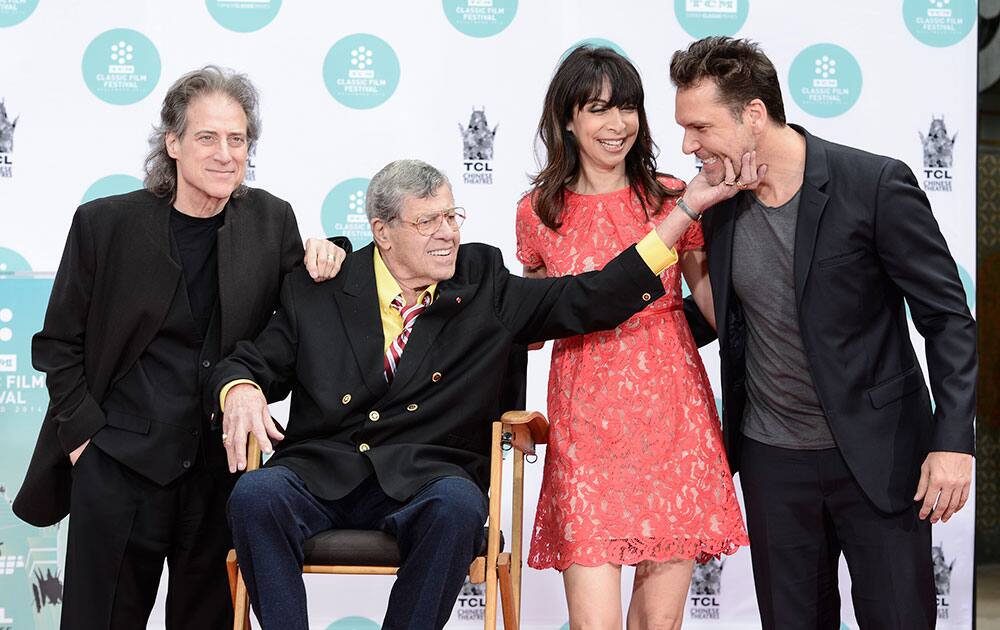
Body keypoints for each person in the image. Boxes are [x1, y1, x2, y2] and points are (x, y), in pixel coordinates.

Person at [214, 157, 747, 630]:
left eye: (452, 216)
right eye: (427, 221)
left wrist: (684, 214)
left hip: (427, 479)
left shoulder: (484, 283)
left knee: (458, 506)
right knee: (256, 496)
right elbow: (252, 361)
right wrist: (239, 389)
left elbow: (592, 296)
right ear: (383, 232)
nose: (447, 233)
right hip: (322, 471)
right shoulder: (324, 283)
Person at [13, 66, 348, 629]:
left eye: (238, 139)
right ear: (172, 143)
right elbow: (57, 344)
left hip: (221, 474)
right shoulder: (106, 224)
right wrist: (83, 442)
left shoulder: (270, 221)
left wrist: (331, 251)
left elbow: (296, 328)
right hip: (117, 465)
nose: (225, 154)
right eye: (207, 137)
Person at [669, 37, 977, 629]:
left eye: (699, 127)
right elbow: (728, 319)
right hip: (771, 463)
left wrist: (953, 441)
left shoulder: (875, 184)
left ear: (753, 115)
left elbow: (946, 319)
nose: (688, 145)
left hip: (880, 455)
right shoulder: (721, 205)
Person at [515, 45, 747, 629]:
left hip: (674, 428)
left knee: (657, 625)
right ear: (567, 118)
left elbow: (713, 307)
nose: (615, 125)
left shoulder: (671, 196)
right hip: (585, 433)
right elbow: (529, 325)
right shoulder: (539, 211)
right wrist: (507, 408)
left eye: (627, 108)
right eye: (597, 109)